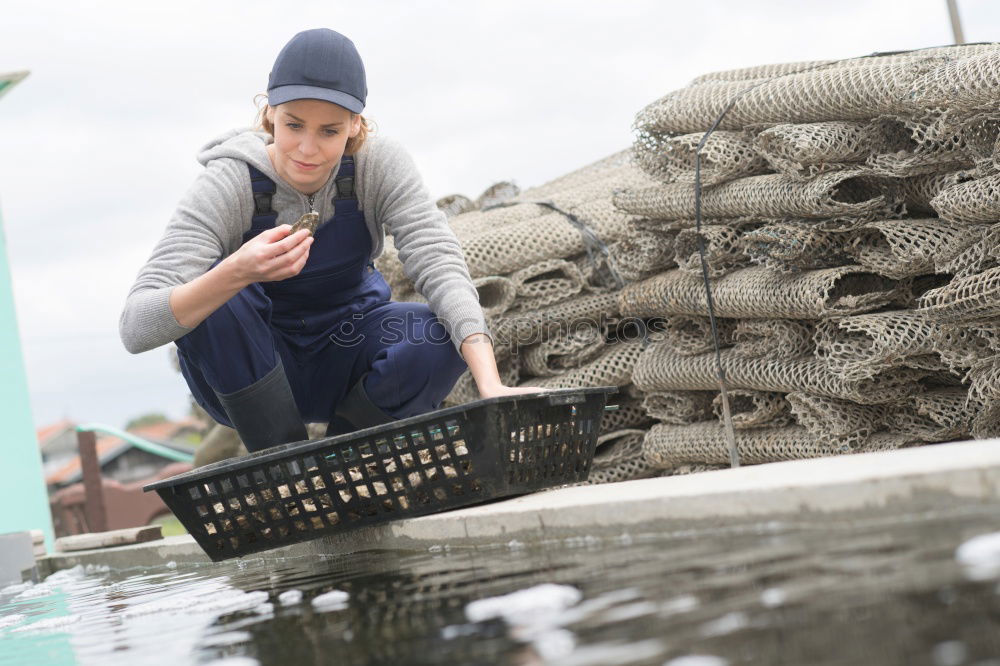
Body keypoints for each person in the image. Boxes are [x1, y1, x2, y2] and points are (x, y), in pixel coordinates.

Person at [119, 28, 541, 453]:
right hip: (250, 369)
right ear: (269, 113)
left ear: (356, 124)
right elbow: (136, 327)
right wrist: (237, 270)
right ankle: (284, 466)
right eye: (294, 125)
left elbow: (439, 261)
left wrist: (490, 381)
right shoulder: (228, 182)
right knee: (217, 292)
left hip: (348, 349)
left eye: (329, 131)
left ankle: (348, 461)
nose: (307, 149)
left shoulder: (379, 165)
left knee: (440, 333)